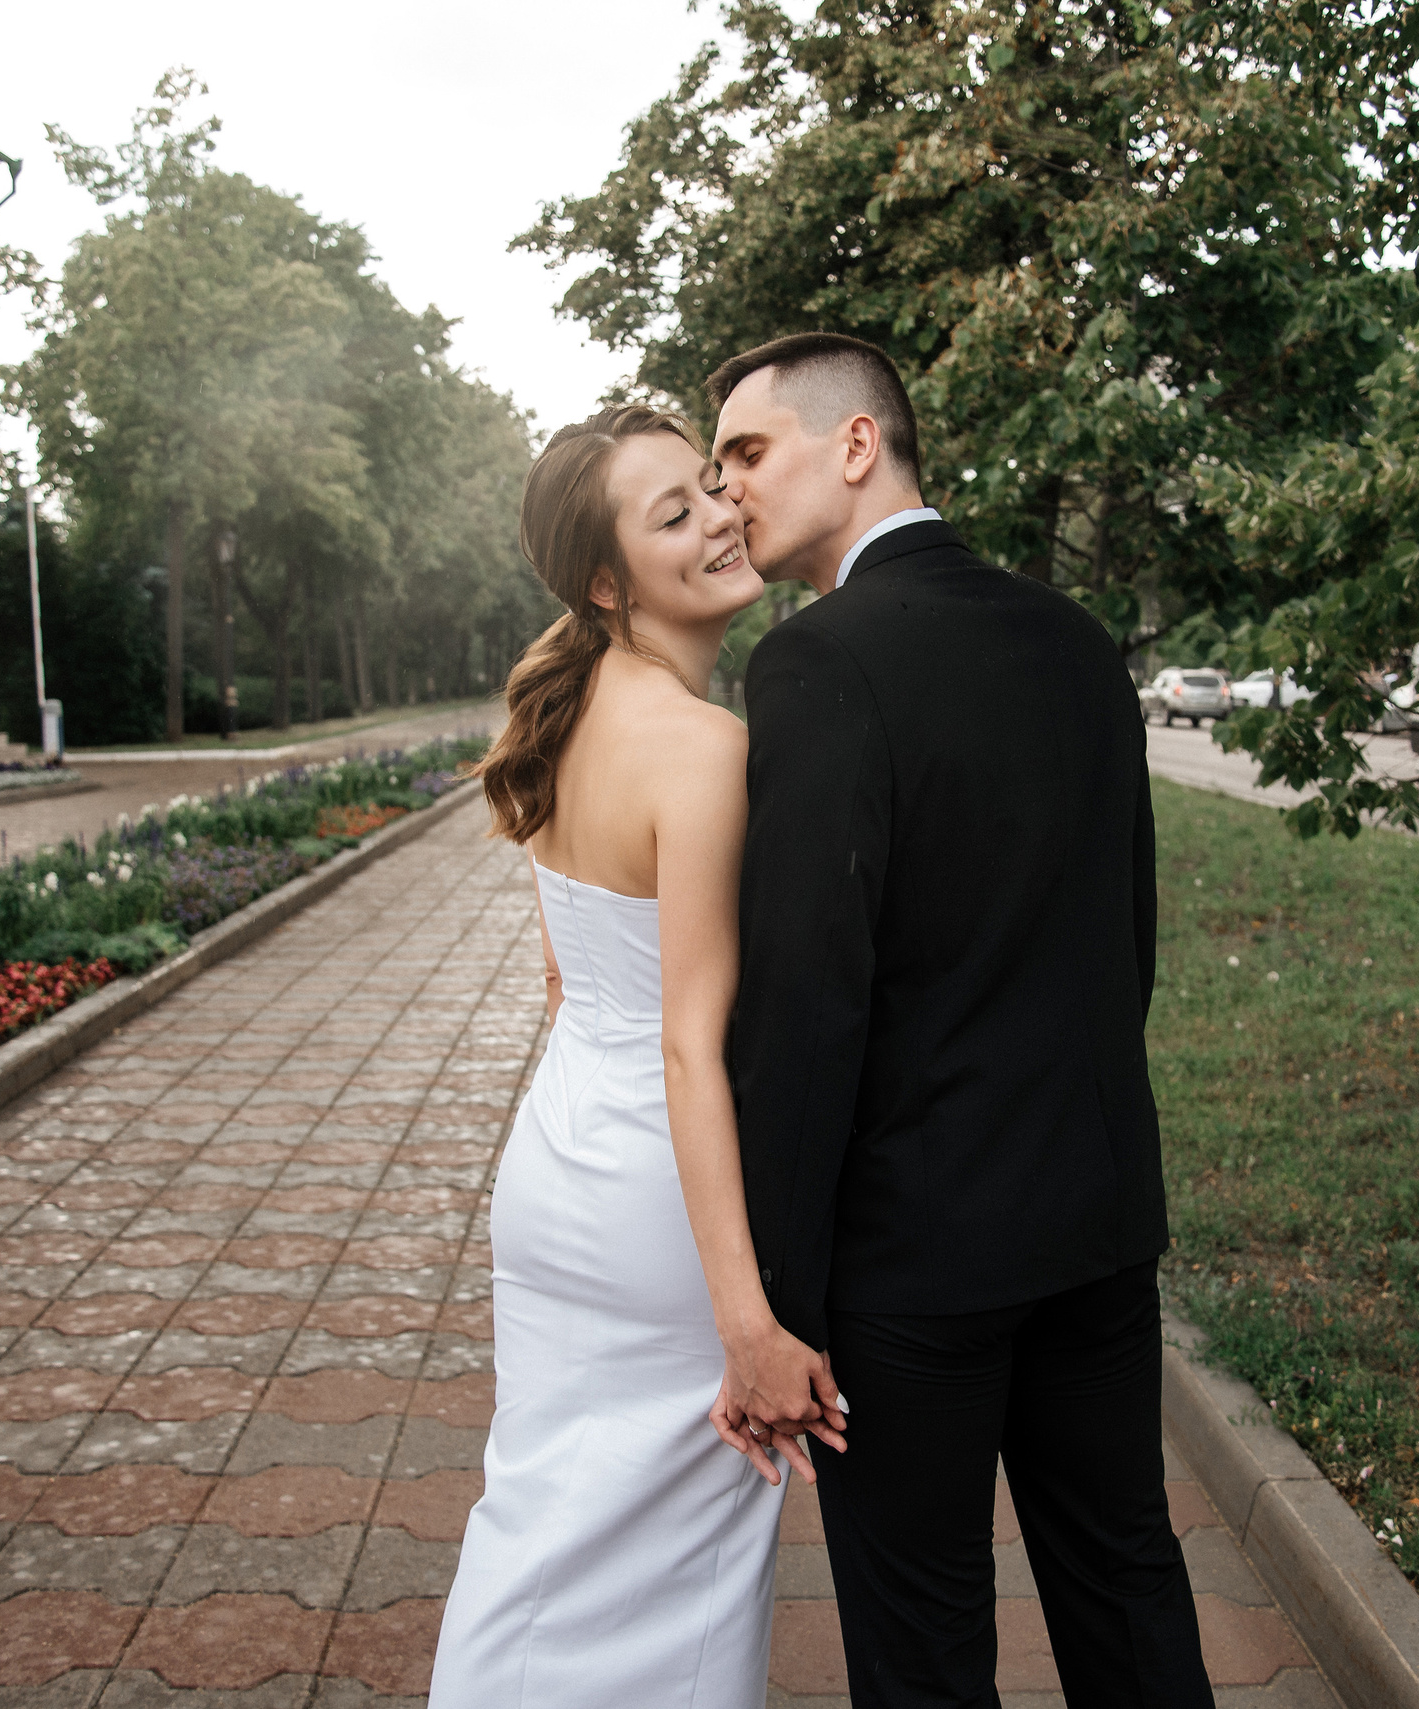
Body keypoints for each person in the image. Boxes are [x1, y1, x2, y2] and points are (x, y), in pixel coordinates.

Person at [709, 332, 1214, 1708]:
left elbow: (807, 1008)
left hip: (914, 1266)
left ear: (856, 442)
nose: (729, 489)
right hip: (1095, 1224)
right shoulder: (1075, 640)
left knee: (926, 1642)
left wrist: (780, 1309)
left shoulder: (818, 662)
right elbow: (1129, 937)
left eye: (750, 452)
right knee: (1127, 1578)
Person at [430, 407, 843, 1709]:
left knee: (541, 1525)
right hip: (663, 1204)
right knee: (686, 1573)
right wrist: (749, 1322)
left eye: (713, 486)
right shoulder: (704, 746)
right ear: (606, 581)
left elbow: (570, 979)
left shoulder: (572, 714)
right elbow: (687, 1042)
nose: (721, 516)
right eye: (674, 514)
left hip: (556, 1171)